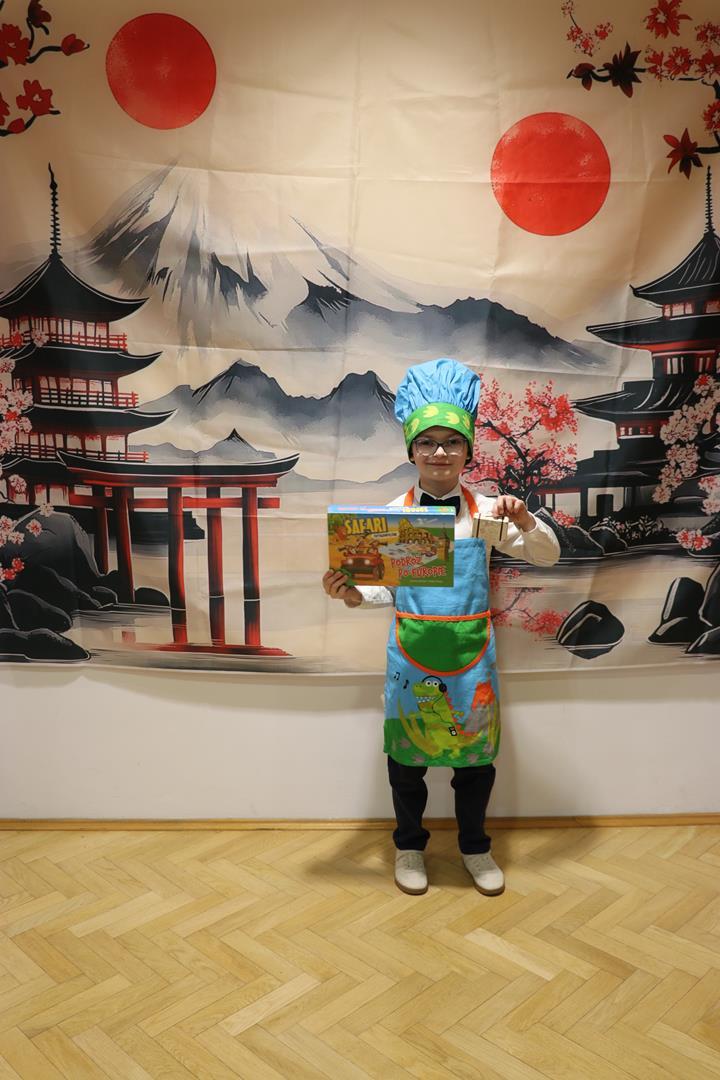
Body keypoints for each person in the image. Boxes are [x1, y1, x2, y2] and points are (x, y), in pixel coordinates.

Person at [322, 358, 560, 896]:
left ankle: (475, 848)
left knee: (475, 765)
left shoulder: (488, 511)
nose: (439, 453)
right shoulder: (392, 514)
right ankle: (409, 847)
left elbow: (547, 555)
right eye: (427, 442)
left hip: (471, 658)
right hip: (411, 654)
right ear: (411, 450)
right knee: (406, 763)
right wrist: (352, 593)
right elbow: (385, 589)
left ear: (467, 452)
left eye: (451, 443)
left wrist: (525, 519)